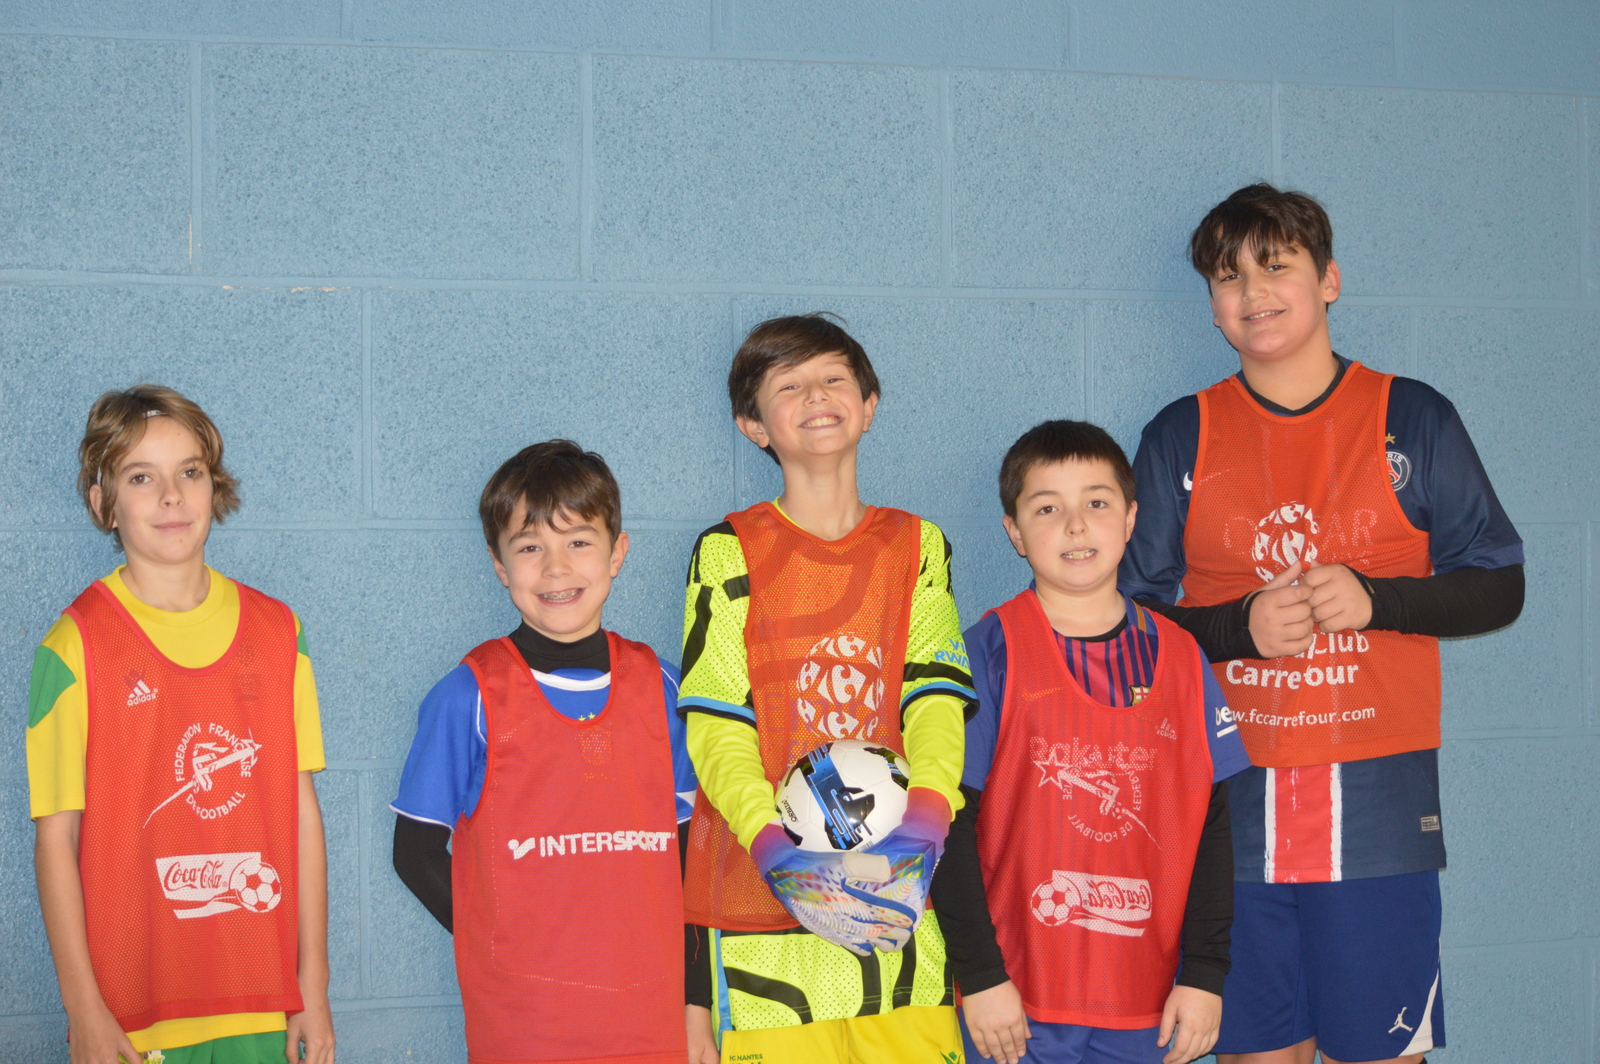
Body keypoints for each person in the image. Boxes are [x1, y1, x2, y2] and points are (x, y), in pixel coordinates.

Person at [1121, 184, 1525, 1064]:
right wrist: (1238, 627)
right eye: (1229, 278)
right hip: (1230, 805)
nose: (1253, 292)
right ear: (1213, 307)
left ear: (1328, 280)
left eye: (1276, 266)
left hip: (1378, 808)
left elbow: (1500, 586)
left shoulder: (1412, 416)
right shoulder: (1180, 435)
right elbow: (1125, 626)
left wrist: (1380, 600)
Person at [679, 314, 977, 1064]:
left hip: (897, 897)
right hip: (764, 909)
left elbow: (935, 704)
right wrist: (774, 848)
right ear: (754, 426)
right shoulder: (726, 551)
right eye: (788, 385)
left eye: (833, 378)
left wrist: (925, 825)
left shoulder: (918, 547)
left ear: (868, 405)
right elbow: (716, 726)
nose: (815, 395)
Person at [29, 385, 334, 1064]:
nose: (172, 496)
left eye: (189, 471)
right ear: (103, 504)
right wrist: (84, 1008)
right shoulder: (73, 649)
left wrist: (311, 984)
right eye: (142, 477)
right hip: (133, 1017)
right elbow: (55, 841)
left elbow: (302, 818)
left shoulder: (280, 634)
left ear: (213, 487)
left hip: (262, 1001)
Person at [935, 420, 1250, 1064]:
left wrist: (1205, 973)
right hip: (1015, 1005)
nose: (1076, 526)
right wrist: (982, 977)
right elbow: (946, 824)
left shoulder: (1182, 658)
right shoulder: (988, 652)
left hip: (1146, 1002)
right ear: (1015, 533)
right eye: (1048, 509)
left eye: (1097, 503)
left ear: (1131, 519)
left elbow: (1213, 826)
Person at [390, 440, 696, 1064]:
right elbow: (414, 854)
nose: (556, 568)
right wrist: (503, 951)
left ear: (617, 552)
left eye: (578, 541)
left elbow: (693, 858)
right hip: (525, 1025)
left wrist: (696, 1006)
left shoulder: (665, 690)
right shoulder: (470, 696)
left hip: (654, 1021)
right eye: (529, 547)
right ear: (500, 566)